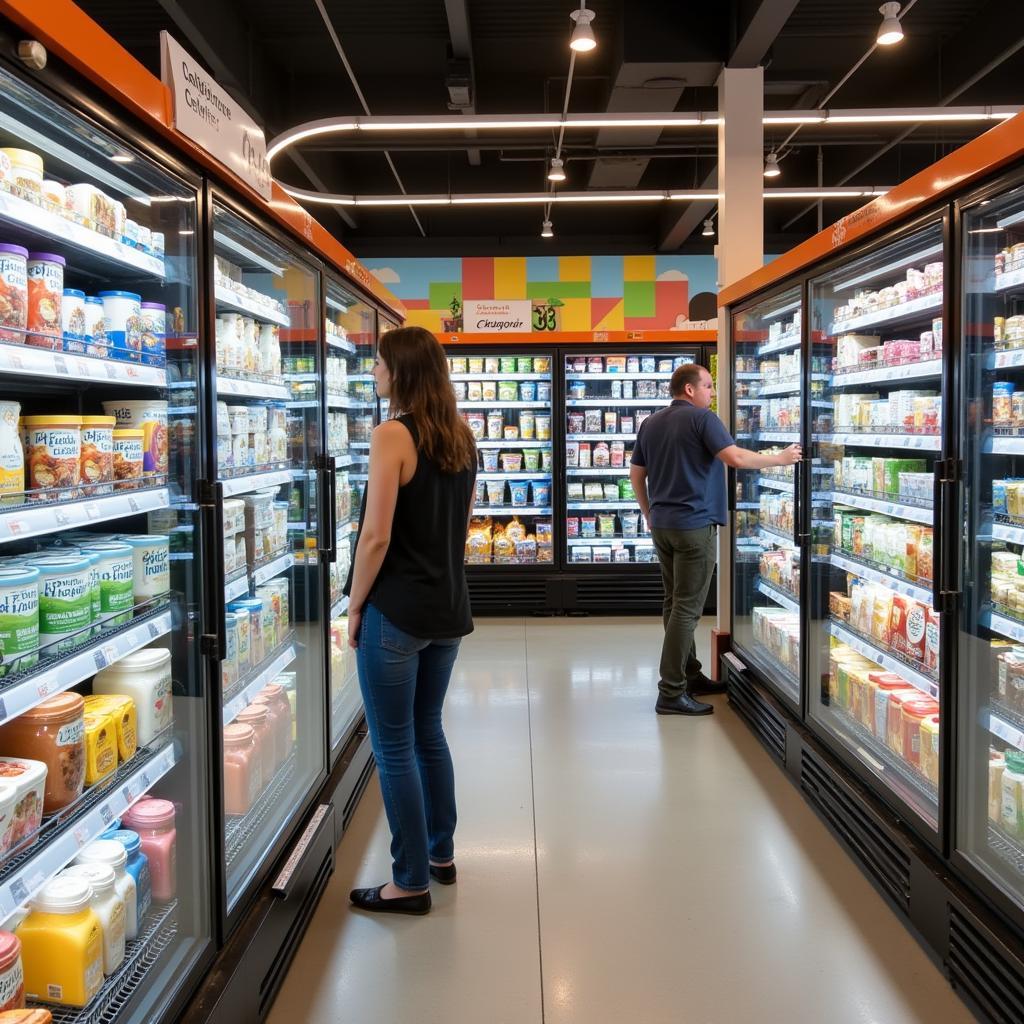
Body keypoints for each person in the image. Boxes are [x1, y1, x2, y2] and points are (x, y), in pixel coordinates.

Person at [344, 326, 477, 916]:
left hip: (396, 612)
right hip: (448, 610)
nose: (374, 373)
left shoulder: (391, 435)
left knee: (393, 745)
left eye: (379, 364)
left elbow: (375, 537)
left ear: (401, 371)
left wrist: (352, 604)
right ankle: (440, 854)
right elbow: (461, 530)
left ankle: (408, 881)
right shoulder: (462, 436)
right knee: (429, 733)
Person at [629, 363, 801, 717]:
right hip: (694, 526)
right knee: (687, 609)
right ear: (690, 390)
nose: (711, 392)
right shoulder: (702, 420)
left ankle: (689, 675)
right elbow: (734, 457)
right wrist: (781, 458)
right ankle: (671, 691)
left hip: (663, 525)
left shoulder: (651, 423)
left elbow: (636, 474)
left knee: (673, 603)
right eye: (708, 385)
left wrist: (649, 512)